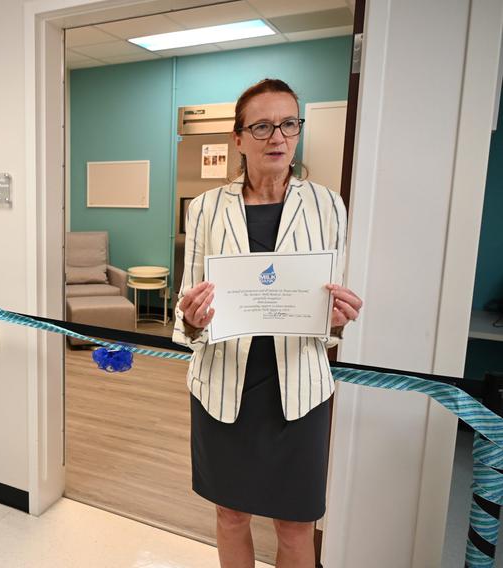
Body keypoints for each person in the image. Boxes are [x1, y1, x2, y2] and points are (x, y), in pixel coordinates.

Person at [173, 79, 364, 568]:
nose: (277, 136)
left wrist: (338, 318)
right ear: (238, 139)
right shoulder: (206, 208)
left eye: (288, 124)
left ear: (298, 131)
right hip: (224, 383)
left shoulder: (328, 205)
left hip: (298, 388)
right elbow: (187, 301)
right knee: (231, 516)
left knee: (297, 524)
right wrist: (191, 318)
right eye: (261, 126)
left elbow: (330, 307)